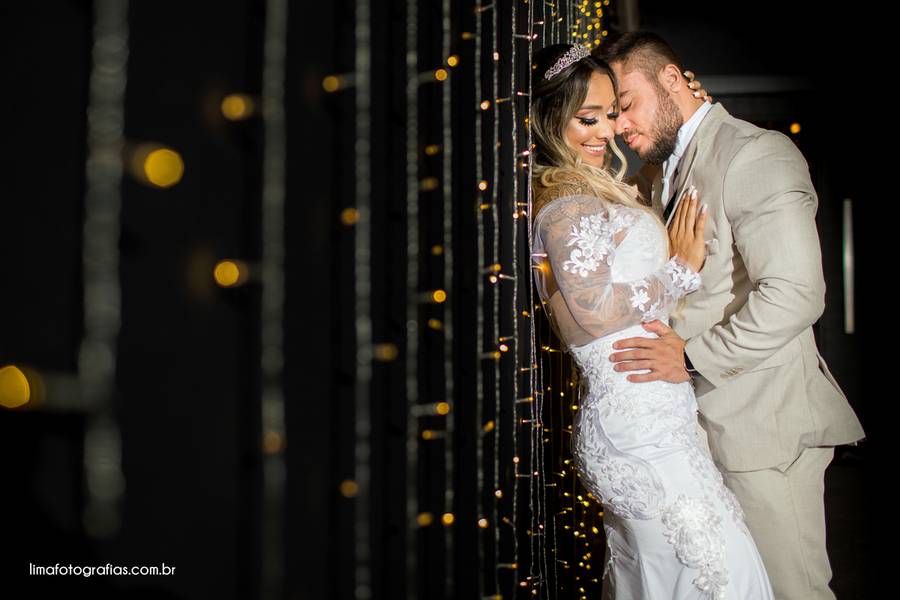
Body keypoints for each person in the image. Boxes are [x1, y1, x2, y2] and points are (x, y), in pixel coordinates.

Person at [599, 32, 866, 600]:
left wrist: (690, 357)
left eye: (626, 105)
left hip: (760, 429)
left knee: (790, 589)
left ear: (672, 79)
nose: (620, 125)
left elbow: (795, 292)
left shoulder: (755, 153)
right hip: (685, 435)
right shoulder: (653, 174)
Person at [529, 43, 775, 599]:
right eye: (587, 119)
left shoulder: (591, 188)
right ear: (549, 120)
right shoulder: (564, 201)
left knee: (674, 579)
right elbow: (588, 315)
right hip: (637, 429)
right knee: (718, 575)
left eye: (611, 115)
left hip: (657, 422)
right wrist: (680, 272)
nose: (605, 133)